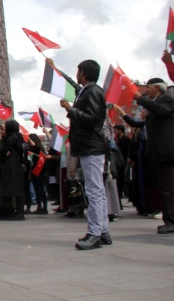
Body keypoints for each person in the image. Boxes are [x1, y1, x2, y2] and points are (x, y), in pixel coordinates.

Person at [57, 59, 112, 250]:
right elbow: (73, 84)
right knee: (97, 190)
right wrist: (58, 70)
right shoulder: (86, 90)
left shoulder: (93, 92)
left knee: (94, 191)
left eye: (78, 71)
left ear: (84, 73)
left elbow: (94, 120)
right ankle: (103, 230)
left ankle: (95, 233)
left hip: (92, 147)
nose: (77, 74)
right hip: (90, 147)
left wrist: (70, 110)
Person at [128, 78, 174, 234]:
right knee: (165, 187)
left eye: (148, 87)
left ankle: (171, 221)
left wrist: (140, 99)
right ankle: (168, 219)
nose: (146, 90)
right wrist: (124, 115)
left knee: (169, 188)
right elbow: (140, 125)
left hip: (166, 151)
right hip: (158, 152)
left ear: (157, 88)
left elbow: (162, 110)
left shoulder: (166, 98)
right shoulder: (155, 105)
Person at [0, 120, 26, 220]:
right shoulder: (20, 137)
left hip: (10, 166)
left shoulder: (10, 138)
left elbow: (3, 151)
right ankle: (20, 211)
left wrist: (2, 153)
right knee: (19, 189)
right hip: (19, 165)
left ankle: (12, 211)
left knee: (10, 188)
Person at [28, 133, 48, 214]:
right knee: (36, 189)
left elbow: (40, 151)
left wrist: (34, 144)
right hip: (34, 170)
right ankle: (39, 206)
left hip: (40, 170)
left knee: (41, 189)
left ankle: (44, 207)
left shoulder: (39, 147)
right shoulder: (30, 149)